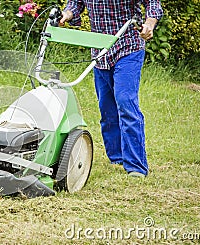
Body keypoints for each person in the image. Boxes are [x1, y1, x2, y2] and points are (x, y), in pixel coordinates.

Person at [60, 0, 163, 177]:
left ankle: (136, 166)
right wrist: (66, 14)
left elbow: (153, 3)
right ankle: (116, 157)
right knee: (106, 107)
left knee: (125, 102)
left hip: (128, 47)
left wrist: (149, 23)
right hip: (100, 51)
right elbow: (76, 3)